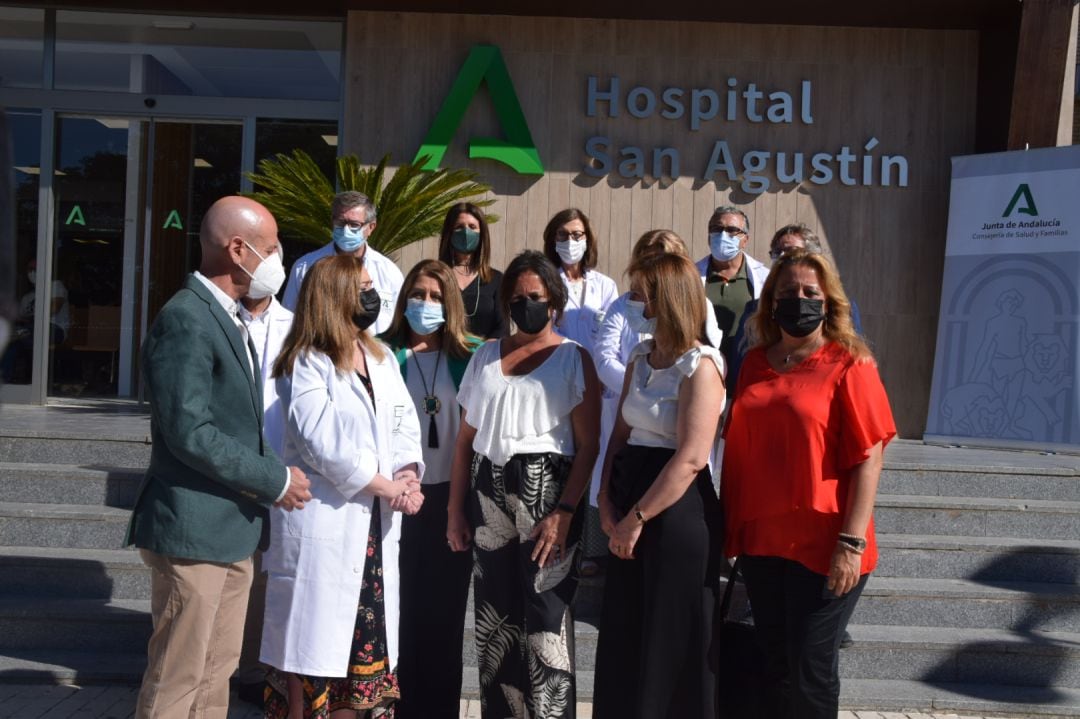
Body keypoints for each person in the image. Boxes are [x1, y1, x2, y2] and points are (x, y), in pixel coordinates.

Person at [126, 195, 312, 719]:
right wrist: (273, 478)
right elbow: (189, 431)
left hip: (230, 529)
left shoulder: (223, 317)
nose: (278, 260)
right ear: (238, 249)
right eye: (272, 248)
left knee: (215, 674)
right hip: (194, 530)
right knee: (178, 677)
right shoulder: (186, 318)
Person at [721, 248, 896, 719]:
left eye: (809, 292)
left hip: (827, 545)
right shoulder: (755, 363)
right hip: (763, 542)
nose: (798, 300)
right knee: (775, 662)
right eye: (787, 293)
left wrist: (851, 544)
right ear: (770, 303)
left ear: (829, 301)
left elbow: (870, 457)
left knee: (810, 667)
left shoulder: (850, 364)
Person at [261, 253, 425, 719]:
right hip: (326, 528)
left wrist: (408, 473)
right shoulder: (307, 361)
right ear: (336, 297)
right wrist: (384, 486)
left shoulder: (379, 357)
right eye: (365, 287)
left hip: (373, 533)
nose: (374, 298)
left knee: (360, 666)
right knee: (312, 659)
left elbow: (403, 423)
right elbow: (321, 442)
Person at [446, 250, 601, 719]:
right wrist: (455, 511)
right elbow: (464, 442)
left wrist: (566, 511)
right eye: (517, 298)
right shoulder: (486, 357)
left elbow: (589, 446)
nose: (525, 305)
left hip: (547, 493)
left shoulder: (575, 359)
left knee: (546, 621)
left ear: (553, 300)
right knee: (496, 621)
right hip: (487, 488)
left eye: (535, 297)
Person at [592, 253, 726, 719]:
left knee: (671, 635)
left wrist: (636, 519)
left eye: (642, 292)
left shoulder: (702, 365)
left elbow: (691, 458)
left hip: (675, 509)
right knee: (628, 627)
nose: (635, 301)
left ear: (666, 297)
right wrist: (606, 498)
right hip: (631, 495)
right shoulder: (639, 355)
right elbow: (620, 436)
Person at [381, 259, 482, 719]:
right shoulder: (381, 353)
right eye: (418, 295)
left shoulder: (472, 356)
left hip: (450, 501)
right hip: (393, 500)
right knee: (399, 615)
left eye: (437, 297)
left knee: (443, 617)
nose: (426, 304)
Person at [541, 208, 619, 576]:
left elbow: (611, 337)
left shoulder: (604, 286)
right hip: (557, 384)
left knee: (596, 459)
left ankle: (590, 550)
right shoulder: (545, 280)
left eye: (576, 234)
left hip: (598, 388)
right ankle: (553, 536)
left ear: (588, 239)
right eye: (562, 235)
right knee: (561, 456)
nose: (569, 242)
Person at [234, 246, 294, 707]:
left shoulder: (296, 328)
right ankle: (233, 667)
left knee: (271, 578)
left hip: (283, 472)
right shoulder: (220, 319)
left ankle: (259, 670)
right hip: (228, 468)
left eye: (276, 250)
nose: (271, 260)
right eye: (264, 250)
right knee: (238, 574)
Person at [726, 222, 863, 395]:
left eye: (791, 251)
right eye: (777, 252)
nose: (782, 256)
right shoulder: (755, 308)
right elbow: (740, 365)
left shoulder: (842, 308)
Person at [281, 191, 403, 335]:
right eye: (340, 222)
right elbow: (287, 320)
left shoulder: (389, 272)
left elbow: (398, 326)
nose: (346, 230)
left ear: (371, 227)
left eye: (354, 224)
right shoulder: (305, 267)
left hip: (372, 354)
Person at [695, 206, 769, 366]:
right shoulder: (692, 275)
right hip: (702, 364)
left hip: (746, 365)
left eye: (732, 230)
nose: (722, 235)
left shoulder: (764, 277)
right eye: (716, 228)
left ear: (745, 240)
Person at [437, 202, 505, 339]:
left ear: (482, 234)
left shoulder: (496, 279)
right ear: (449, 233)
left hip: (483, 357)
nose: (466, 232)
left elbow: (502, 329)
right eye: (459, 227)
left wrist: (480, 354)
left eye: (472, 227)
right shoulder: (436, 276)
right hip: (443, 357)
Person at [1, 258, 69, 384]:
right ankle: (5, 379)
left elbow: (54, 308)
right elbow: (20, 318)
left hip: (54, 328)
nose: (33, 272)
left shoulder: (55, 285)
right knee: (12, 345)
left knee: (20, 336)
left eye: (36, 269)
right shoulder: (27, 297)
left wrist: (28, 321)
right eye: (30, 269)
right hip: (29, 330)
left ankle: (38, 382)